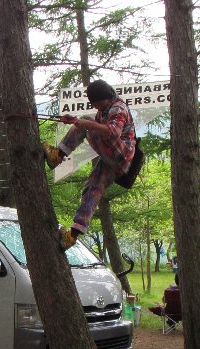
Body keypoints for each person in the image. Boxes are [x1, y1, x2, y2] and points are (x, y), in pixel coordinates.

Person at [43, 79, 136, 250]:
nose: (95, 106)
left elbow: (112, 132)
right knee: (92, 190)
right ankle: (71, 236)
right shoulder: (106, 108)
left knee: (85, 121)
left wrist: (84, 123)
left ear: (105, 97)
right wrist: (74, 121)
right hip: (116, 161)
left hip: (118, 155)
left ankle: (58, 156)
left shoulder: (118, 108)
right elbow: (99, 126)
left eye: (96, 103)